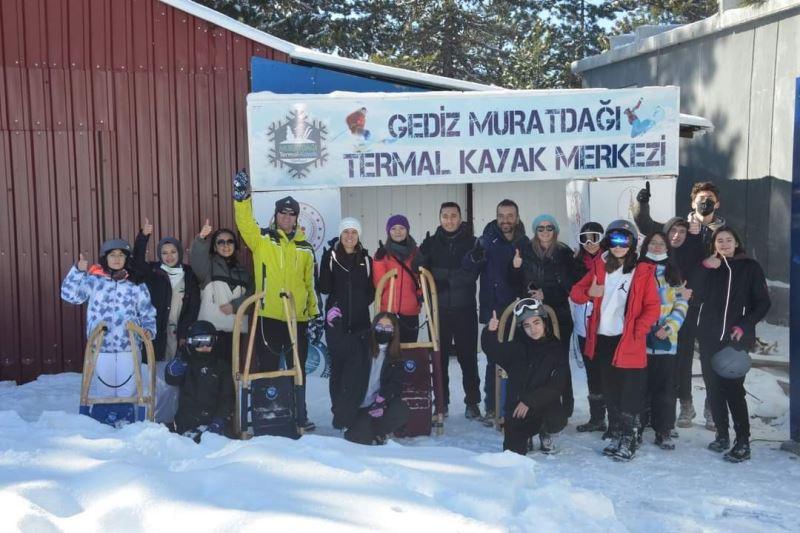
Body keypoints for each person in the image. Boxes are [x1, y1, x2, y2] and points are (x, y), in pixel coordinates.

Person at [634, 181, 726, 431]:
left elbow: (719, 263)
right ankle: (685, 404)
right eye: (700, 198)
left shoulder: (722, 231)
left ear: (717, 203)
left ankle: (712, 407)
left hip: (711, 306)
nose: (704, 202)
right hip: (679, 307)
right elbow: (646, 224)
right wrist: (642, 204)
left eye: (709, 198)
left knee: (711, 358)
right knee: (680, 360)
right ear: (692, 202)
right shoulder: (680, 229)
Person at [233, 170, 318, 431]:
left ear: (296, 218)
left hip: (297, 317)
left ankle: (299, 415)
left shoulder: (305, 247)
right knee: (268, 366)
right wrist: (241, 199)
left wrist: (313, 314)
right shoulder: (263, 240)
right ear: (276, 215)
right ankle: (268, 414)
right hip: (268, 314)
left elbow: (309, 284)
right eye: (283, 212)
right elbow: (245, 224)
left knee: (297, 369)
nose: (287, 217)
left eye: (291, 214)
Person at [569, 220, 660, 461]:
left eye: (625, 240)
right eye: (614, 240)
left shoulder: (642, 272)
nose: (619, 245)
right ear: (608, 241)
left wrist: (637, 330)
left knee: (630, 390)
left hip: (627, 340)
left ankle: (629, 438)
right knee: (610, 390)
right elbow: (575, 293)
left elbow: (652, 307)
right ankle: (618, 433)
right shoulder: (600, 267)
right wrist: (590, 292)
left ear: (632, 243)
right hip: (602, 339)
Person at [690, 226, 770, 462]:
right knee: (713, 389)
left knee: (734, 391)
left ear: (736, 243)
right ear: (713, 245)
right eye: (719, 241)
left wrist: (743, 325)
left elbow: (763, 303)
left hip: (736, 340)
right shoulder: (710, 267)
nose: (724, 244)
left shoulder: (750, 267)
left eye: (728, 240)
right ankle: (722, 435)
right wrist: (704, 268)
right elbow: (693, 294)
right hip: (709, 338)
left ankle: (743, 441)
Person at [61, 239, 157, 425]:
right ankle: (104, 426)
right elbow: (69, 295)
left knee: (128, 389)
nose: (116, 259)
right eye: (112, 255)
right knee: (105, 390)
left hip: (128, 345)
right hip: (101, 345)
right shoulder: (94, 280)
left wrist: (148, 330)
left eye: (121, 255)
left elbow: (147, 311)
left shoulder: (135, 283)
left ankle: (128, 425)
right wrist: (78, 271)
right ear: (105, 258)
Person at [414, 202, 482, 419]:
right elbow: (420, 271)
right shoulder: (431, 243)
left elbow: (472, 273)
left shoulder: (473, 243)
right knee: (439, 358)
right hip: (439, 310)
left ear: (460, 218)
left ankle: (472, 402)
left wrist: (445, 280)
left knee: (467, 358)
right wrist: (422, 259)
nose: (449, 220)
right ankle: (441, 403)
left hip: (465, 309)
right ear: (440, 218)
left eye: (454, 216)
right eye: (445, 216)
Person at [463, 199, 528, 420]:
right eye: (501, 216)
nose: (505, 220)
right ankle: (492, 406)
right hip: (493, 309)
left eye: (510, 216)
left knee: (518, 358)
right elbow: (469, 270)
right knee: (493, 359)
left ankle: (513, 403)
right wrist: (474, 257)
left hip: (517, 309)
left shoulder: (524, 242)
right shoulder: (486, 240)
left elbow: (526, 277)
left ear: (517, 218)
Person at [131, 218, 200, 425]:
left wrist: (185, 333)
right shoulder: (153, 272)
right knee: (157, 378)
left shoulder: (187, 274)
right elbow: (136, 265)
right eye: (164, 253)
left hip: (178, 335)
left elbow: (193, 306)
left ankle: (175, 418)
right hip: (157, 334)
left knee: (176, 378)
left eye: (173, 252)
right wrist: (143, 237)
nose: (169, 257)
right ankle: (156, 419)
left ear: (179, 252)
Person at [481, 298, 568, 455]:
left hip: (543, 404)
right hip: (518, 409)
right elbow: (493, 351)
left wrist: (530, 401)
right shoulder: (517, 347)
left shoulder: (556, 349)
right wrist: (490, 331)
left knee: (557, 417)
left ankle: (545, 431)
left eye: (536, 323)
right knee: (513, 454)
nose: (533, 329)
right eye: (527, 325)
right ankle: (525, 436)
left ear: (544, 323)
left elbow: (557, 386)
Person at [513, 214, 577, 428]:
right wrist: (514, 268)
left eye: (549, 227)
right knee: (533, 363)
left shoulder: (564, 253)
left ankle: (564, 407)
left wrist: (546, 293)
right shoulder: (525, 251)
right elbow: (513, 281)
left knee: (559, 362)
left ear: (555, 230)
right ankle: (531, 406)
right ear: (535, 231)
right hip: (532, 316)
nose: (545, 232)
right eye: (540, 228)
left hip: (558, 314)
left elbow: (570, 285)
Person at [318, 217, 374, 415]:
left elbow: (371, 291)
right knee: (339, 370)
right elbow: (324, 288)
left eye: (354, 232)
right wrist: (325, 266)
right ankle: (339, 411)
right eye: (346, 232)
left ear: (359, 236)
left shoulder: (366, 260)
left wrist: (358, 304)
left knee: (359, 369)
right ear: (340, 235)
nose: (350, 236)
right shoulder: (331, 257)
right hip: (337, 325)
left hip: (360, 324)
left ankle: (357, 409)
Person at [638, 232, 689, 450]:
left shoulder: (673, 272)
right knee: (640, 389)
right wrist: (676, 294)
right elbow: (641, 299)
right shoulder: (637, 269)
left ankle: (664, 430)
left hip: (668, 341)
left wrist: (668, 328)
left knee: (666, 389)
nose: (657, 247)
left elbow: (682, 305)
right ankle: (637, 428)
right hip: (641, 340)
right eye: (653, 243)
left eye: (661, 244)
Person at [327, 312, 410, 445]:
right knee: (360, 441)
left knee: (400, 410)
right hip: (355, 405)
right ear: (373, 326)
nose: (383, 330)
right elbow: (338, 346)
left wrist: (382, 399)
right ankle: (360, 429)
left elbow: (396, 383)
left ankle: (377, 432)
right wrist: (333, 326)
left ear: (394, 332)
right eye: (380, 326)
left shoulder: (395, 355)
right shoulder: (359, 343)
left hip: (374, 405)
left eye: (388, 328)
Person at [190, 219, 253, 368]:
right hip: (211, 332)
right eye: (221, 242)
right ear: (214, 246)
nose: (226, 245)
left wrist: (235, 306)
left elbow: (253, 296)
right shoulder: (207, 267)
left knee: (231, 375)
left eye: (230, 241)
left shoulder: (244, 272)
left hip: (236, 334)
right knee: (210, 374)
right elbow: (197, 260)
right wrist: (201, 239)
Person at [662, 217, 705, 428]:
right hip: (660, 314)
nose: (676, 235)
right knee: (662, 362)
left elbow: (697, 279)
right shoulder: (658, 254)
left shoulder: (693, 253)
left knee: (683, 359)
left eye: (682, 231)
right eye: (673, 231)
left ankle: (686, 403)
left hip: (687, 313)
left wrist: (688, 296)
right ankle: (660, 406)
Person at [165, 321, 234, 441]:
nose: (205, 346)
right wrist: (172, 371)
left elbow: (227, 397)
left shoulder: (221, 366)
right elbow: (171, 380)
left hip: (213, 423)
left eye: (209, 341)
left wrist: (219, 421)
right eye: (200, 342)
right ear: (191, 342)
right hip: (186, 423)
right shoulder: (185, 361)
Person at [571, 222, 607, 433]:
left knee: (608, 372)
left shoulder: (610, 259)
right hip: (584, 324)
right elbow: (572, 289)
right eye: (585, 238)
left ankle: (615, 418)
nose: (590, 243)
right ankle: (597, 418)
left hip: (606, 324)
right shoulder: (575, 262)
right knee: (592, 371)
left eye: (594, 237)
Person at [373, 214, 422, 343]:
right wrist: (378, 261)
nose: (398, 232)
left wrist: (419, 295)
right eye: (393, 228)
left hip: (410, 312)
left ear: (407, 230)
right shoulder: (383, 254)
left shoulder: (416, 252)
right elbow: (379, 284)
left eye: (401, 228)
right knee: (388, 352)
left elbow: (422, 279)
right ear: (388, 232)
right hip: (388, 312)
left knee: (409, 351)